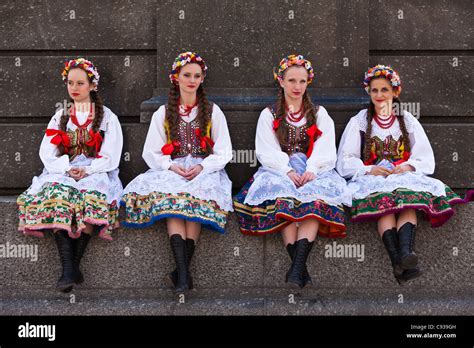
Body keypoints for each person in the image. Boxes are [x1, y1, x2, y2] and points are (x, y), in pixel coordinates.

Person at [336, 64, 472, 284]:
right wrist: (369, 168)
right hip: (374, 179)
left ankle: (404, 256)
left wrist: (408, 166)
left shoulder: (406, 119)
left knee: (408, 201)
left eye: (384, 90)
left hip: (402, 175)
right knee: (384, 205)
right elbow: (345, 159)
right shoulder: (360, 121)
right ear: (369, 93)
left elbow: (425, 156)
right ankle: (399, 260)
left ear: (395, 92)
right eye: (375, 91)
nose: (379, 95)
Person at [234, 55, 352, 289]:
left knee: (314, 203)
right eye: (292, 81)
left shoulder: (319, 114)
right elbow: (266, 149)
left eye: (302, 81)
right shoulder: (270, 114)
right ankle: (299, 268)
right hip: (280, 172)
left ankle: (297, 268)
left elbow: (326, 147)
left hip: (313, 171)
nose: (297, 87)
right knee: (284, 202)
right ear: (281, 81)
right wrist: (287, 171)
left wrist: (311, 170)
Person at [121, 52, 233, 294]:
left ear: (202, 79)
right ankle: (183, 273)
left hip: (204, 169)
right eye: (186, 75)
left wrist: (203, 166)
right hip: (173, 167)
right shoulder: (163, 113)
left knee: (194, 201)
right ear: (176, 78)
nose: (192, 80)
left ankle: (181, 273)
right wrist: (171, 166)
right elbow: (151, 152)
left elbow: (225, 151)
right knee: (173, 199)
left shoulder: (213, 111)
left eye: (196, 75)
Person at [17, 58, 123, 292]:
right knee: (58, 195)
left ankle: (70, 268)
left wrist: (87, 170)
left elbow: (111, 155)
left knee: (87, 196)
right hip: (64, 169)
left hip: (95, 170)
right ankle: (69, 268)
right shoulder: (60, 116)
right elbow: (47, 152)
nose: (74, 88)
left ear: (92, 86)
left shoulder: (107, 117)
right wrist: (66, 168)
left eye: (80, 83)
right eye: (70, 83)